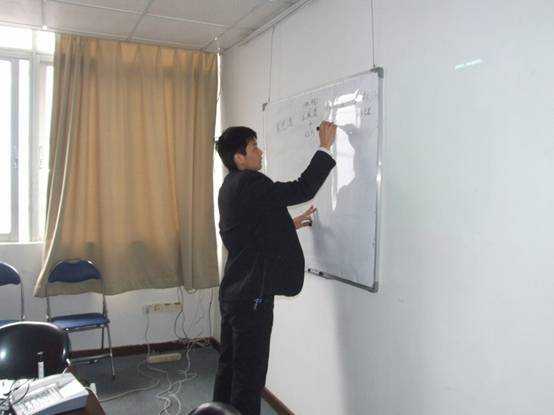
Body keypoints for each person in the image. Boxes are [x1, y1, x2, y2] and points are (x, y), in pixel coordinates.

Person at [212, 121, 337, 415]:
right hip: (252, 297)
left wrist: (289, 224)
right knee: (249, 376)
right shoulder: (252, 182)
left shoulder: (229, 186)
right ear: (239, 157)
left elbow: (248, 232)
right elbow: (302, 188)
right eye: (254, 147)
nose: (260, 152)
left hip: (233, 293)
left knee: (229, 367)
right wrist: (324, 147)